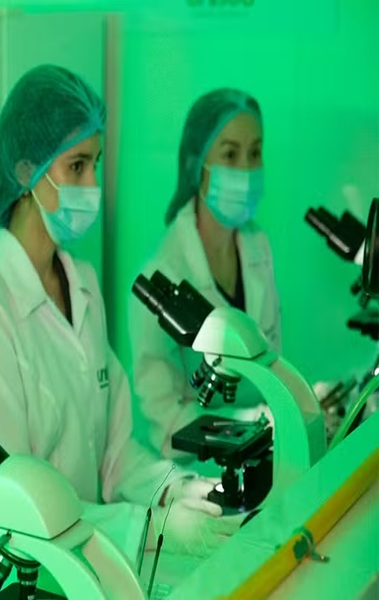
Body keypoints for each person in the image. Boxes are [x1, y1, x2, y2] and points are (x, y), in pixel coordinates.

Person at [0, 65, 241, 563]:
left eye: (96, 164)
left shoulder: (83, 284)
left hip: (96, 556)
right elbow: (18, 509)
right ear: (25, 171)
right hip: (35, 574)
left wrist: (175, 488)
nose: (93, 184)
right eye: (77, 166)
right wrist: (151, 527)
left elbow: (114, 455)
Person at [129, 88, 281, 460]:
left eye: (255, 153)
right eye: (229, 154)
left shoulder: (258, 246)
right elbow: (162, 417)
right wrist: (244, 428)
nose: (246, 169)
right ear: (196, 166)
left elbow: (274, 364)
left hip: (263, 452)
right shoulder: (162, 270)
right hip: (192, 469)